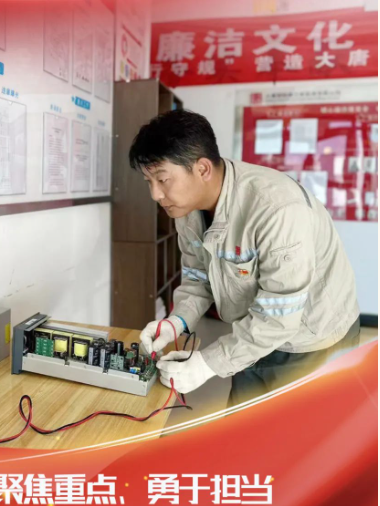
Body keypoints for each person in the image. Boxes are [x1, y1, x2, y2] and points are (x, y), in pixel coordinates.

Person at [129, 109, 360, 406]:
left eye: (162, 179)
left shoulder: (277, 209)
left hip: (312, 341)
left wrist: (207, 364)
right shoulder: (185, 209)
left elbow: (280, 316)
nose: (155, 194)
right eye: (148, 181)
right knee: (243, 425)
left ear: (202, 169)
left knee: (300, 431)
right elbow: (198, 276)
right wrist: (177, 320)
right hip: (251, 331)